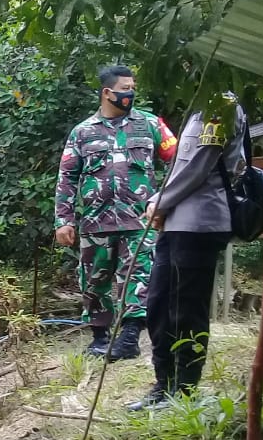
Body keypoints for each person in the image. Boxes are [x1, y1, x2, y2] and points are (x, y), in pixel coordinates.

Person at [131, 92, 248, 410]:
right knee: (158, 304)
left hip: (201, 223)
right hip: (173, 224)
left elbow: (199, 167)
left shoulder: (221, 106)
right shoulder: (197, 106)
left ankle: (184, 390)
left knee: (187, 310)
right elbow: (179, 166)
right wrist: (160, 201)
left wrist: (159, 202)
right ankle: (163, 383)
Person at [55, 65, 178, 360]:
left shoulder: (150, 124)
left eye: (133, 87)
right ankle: (99, 337)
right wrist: (64, 220)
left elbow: (178, 162)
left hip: (140, 220)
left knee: (139, 276)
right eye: (125, 88)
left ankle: (130, 337)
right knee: (94, 280)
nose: (130, 93)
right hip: (96, 221)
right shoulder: (82, 132)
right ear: (108, 93)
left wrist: (164, 200)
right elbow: (67, 177)